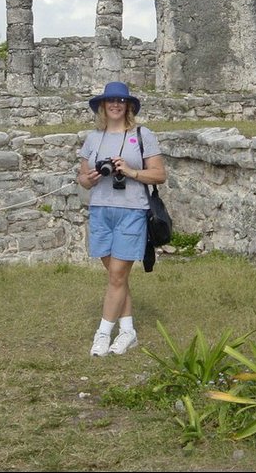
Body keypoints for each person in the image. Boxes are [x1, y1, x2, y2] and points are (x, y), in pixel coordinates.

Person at [77, 81, 167, 356]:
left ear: (128, 105)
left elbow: (160, 175)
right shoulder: (93, 138)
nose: (115, 105)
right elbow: (81, 178)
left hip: (132, 210)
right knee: (118, 276)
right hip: (101, 210)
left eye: (121, 101)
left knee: (117, 275)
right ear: (102, 106)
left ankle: (102, 334)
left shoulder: (142, 134)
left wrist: (130, 171)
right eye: (110, 100)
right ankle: (128, 331)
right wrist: (89, 178)